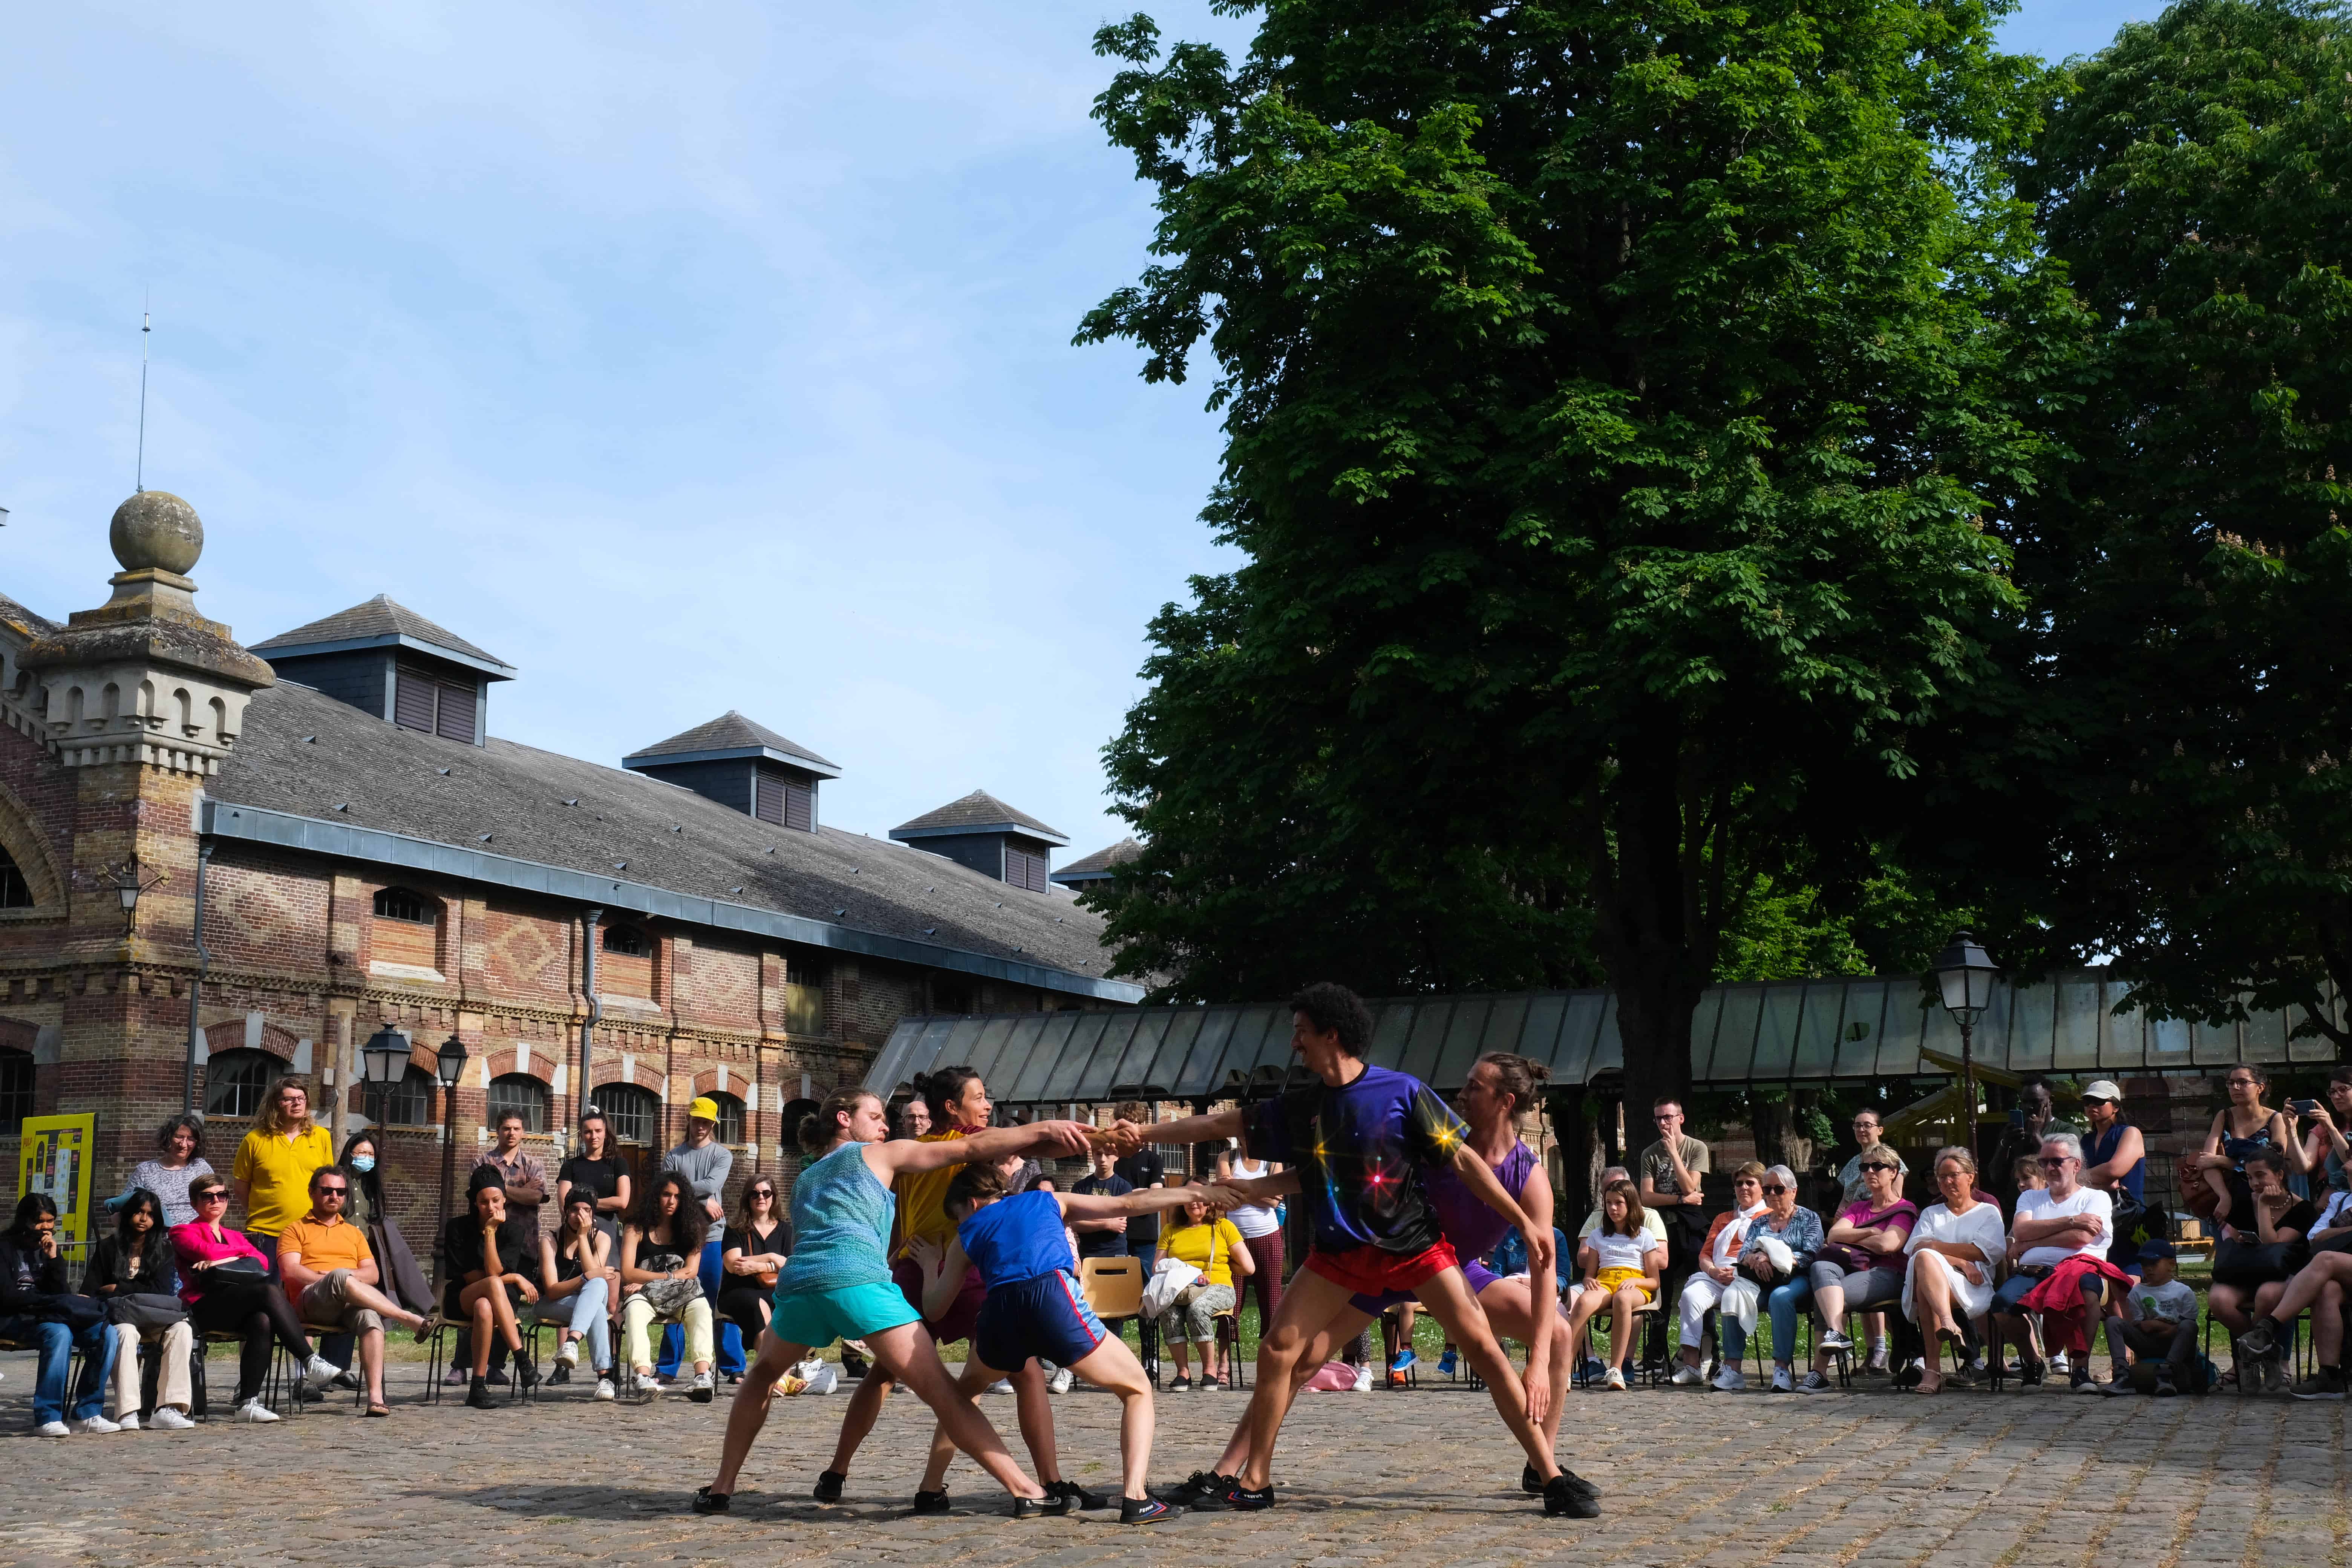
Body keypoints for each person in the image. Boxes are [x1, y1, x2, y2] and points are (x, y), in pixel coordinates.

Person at [1119, 983, 1591, 1517]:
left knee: (1484, 1350)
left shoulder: (1404, 1093)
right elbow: (1223, 1124)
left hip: (1416, 1249)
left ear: (1331, 1033)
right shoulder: (1306, 1106)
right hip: (1342, 1255)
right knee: (1280, 1352)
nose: (1294, 1043)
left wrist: (1522, 1223)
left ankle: (1551, 1477)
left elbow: (1464, 1163)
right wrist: (1145, 1134)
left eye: (1301, 1031)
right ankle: (1251, 1478)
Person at [694, 1087, 1096, 1517]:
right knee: (943, 1391)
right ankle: (1026, 1487)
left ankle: (721, 1487)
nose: (886, 1124)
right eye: (876, 1115)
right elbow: (972, 1146)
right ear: (845, 1119)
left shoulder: (807, 1175)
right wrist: (1044, 1128)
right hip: (857, 1281)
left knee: (763, 1375)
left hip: (801, 1286)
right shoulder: (876, 1155)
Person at [822, 1066, 1096, 1513]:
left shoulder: (905, 1149)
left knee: (885, 1374)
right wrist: (1106, 1139)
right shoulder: (966, 1142)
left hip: (917, 1265)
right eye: (980, 1096)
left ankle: (837, 1471)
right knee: (1024, 1372)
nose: (988, 1105)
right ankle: (1051, 1480)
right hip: (961, 1268)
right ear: (953, 1107)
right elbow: (1037, 1142)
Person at [914, 1161, 1225, 1524]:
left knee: (960, 1398)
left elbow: (935, 1309)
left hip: (1001, 1312)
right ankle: (1136, 1498)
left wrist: (928, 1265)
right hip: (1051, 1299)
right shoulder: (1045, 1200)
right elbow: (1128, 1204)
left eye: (957, 1217)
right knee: (1137, 1388)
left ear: (970, 1204)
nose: (960, 1222)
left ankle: (931, 1490)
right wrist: (1200, 1192)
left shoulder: (965, 1235)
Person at [172, 1175, 337, 1423]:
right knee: (269, 1292)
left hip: (236, 1305)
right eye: (208, 1196)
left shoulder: (235, 1236)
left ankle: (248, 1403)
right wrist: (238, 1256)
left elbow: (261, 1261)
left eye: (222, 1195)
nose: (216, 1201)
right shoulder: (182, 1231)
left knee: (262, 1320)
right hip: (201, 1307)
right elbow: (206, 1251)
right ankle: (309, 1360)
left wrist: (220, 1260)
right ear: (195, 1202)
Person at [278, 1166, 434, 1416]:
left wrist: (344, 1279)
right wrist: (331, 1278)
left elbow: (372, 1275)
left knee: (371, 1318)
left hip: (347, 1305)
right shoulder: (295, 1230)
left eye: (341, 1192)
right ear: (312, 1192)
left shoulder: (354, 1234)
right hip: (310, 1303)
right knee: (340, 1276)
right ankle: (407, 1318)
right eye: (327, 1190)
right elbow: (290, 1271)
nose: (335, 1196)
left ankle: (375, 1398)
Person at [1994, 1133, 2127, 1392]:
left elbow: (2080, 1239)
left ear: (2076, 1164)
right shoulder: (2031, 1198)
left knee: (2088, 1293)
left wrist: (2031, 1243)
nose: (2049, 1168)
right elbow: (2021, 1231)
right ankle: (2033, 1363)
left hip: (2079, 1269)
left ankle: (2081, 1369)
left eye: (2056, 1161)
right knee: (2001, 1305)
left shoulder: (2095, 1198)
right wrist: (2071, 1221)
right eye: (2044, 1163)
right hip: (2032, 1272)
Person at [2, 1193, 121, 1435]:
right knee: (60, 1333)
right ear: (24, 1220)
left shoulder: (47, 1250)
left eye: (51, 1221)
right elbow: (6, 1297)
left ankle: (88, 1412)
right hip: (14, 1318)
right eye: (40, 1221)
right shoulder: (4, 1248)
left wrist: (54, 1260)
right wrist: (47, 1302)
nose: (46, 1228)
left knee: (106, 1333)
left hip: (49, 1314)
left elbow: (63, 1293)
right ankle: (48, 1415)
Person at [2203, 1146, 2315, 1393]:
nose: (2254, 1183)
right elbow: (2230, 1235)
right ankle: (2266, 1352)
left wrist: (2263, 1206)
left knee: (2267, 1295)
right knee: (2219, 1299)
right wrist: (2238, 1236)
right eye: (2250, 1177)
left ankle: (2247, 1359)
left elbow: (2274, 1244)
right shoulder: (2244, 1200)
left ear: (2279, 1175)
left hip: (2283, 1274)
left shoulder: (2303, 1209)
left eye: (2261, 1175)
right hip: (2245, 1270)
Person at [1802, 1149, 1916, 1392]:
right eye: (1865, 1168)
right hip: (1851, 1268)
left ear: (1894, 1172)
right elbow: (1834, 1235)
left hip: (1886, 1274)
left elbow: (1889, 1246)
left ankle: (1820, 1372)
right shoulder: (1858, 1208)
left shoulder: (1905, 1209)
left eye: (1878, 1166)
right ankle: (1836, 1334)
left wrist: (1854, 1236)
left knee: (1827, 1294)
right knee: (1821, 1267)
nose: (1870, 1172)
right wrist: (1870, 1233)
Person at [83, 1188, 197, 1429]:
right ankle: (127, 1412)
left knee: (182, 1330)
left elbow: (159, 1291)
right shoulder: (108, 1248)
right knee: (124, 1333)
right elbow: (92, 1288)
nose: (144, 1219)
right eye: (138, 1212)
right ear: (128, 1215)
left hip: (154, 1315)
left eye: (150, 1214)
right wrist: (130, 1290)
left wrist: (117, 1287)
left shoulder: (164, 1250)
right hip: (120, 1316)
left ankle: (169, 1408)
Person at [1902, 1148, 2005, 1395]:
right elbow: (1915, 1248)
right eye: (1941, 1177)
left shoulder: (1987, 1212)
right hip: (1944, 1279)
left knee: (1927, 1277)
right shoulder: (1931, 1213)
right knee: (1924, 1261)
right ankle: (1947, 1321)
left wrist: (1937, 1246)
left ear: (1970, 1176)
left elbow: (1985, 1251)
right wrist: (1961, 1261)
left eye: (1953, 1175)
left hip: (1973, 1284)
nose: (1947, 1182)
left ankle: (1933, 1370)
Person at [446, 1166, 547, 1409]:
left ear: (505, 1199)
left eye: (496, 1201)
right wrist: (514, 1278)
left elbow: (492, 1274)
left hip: (496, 1303)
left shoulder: (514, 1230)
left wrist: (492, 1233)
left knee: (485, 1306)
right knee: (488, 1288)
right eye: (483, 1202)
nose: (491, 1208)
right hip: (462, 1298)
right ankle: (522, 1358)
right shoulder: (457, 1228)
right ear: (474, 1202)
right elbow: (477, 1278)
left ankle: (477, 1387)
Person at [2238, 1184, 2352, 1396]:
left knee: (2325, 1259)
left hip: (2338, 1262)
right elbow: (2316, 1237)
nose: (2346, 1157)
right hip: (2345, 1270)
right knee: (2326, 1289)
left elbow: (2324, 1240)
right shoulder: (2340, 1199)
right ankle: (2330, 1377)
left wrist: (2336, 1233)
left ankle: (2266, 1329)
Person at [1721, 1164, 1823, 1393]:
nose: (1772, 1195)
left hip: (1797, 1279)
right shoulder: (1759, 1222)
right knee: (1732, 1295)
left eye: (1779, 1189)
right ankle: (1734, 1369)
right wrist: (1756, 1258)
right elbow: (1743, 1252)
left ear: (1793, 1191)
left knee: (1780, 1298)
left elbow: (1810, 1255)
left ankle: (1782, 1369)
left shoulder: (1809, 1219)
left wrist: (1772, 1257)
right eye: (1767, 1190)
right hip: (1761, 1280)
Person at [663, 1096, 745, 1380]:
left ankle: (732, 1367)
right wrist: (701, 1202)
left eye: (707, 1123)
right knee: (674, 1299)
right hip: (680, 1236)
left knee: (718, 1302)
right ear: (690, 1119)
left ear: (713, 1125)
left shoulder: (722, 1155)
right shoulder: (673, 1156)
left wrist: (685, 1194)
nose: (701, 1127)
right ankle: (667, 1368)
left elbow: (712, 1185)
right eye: (697, 1121)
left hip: (713, 1236)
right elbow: (667, 1190)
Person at [620, 1170, 718, 1400]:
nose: (671, 1201)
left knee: (702, 1309)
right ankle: (643, 1377)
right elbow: (627, 1272)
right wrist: (670, 1277)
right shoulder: (635, 1228)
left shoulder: (693, 1228)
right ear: (656, 1196)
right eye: (666, 1195)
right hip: (645, 1294)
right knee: (633, 1310)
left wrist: (649, 1278)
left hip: (682, 1295)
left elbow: (692, 1272)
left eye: (677, 1196)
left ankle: (703, 1376)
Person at [1672, 1161, 1768, 1385]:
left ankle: (1732, 1368)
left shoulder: (1769, 1216)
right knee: (1690, 1296)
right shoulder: (1723, 1218)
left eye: (1750, 1183)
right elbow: (1705, 1255)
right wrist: (1714, 1272)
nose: (1743, 1187)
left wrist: (1739, 1271)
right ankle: (1692, 1366)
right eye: (1739, 1183)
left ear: (1762, 1187)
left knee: (1731, 1298)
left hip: (1748, 1277)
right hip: (1716, 1275)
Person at [1565, 1178, 1663, 1390]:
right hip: (1605, 1281)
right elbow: (1589, 1275)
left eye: (1618, 1203)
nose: (1613, 1208)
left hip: (1634, 1284)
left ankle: (1616, 1369)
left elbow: (1655, 1281)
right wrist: (1588, 1280)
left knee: (1623, 1298)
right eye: (1609, 1203)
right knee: (1583, 1303)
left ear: (1631, 1204)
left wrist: (1635, 1281)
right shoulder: (1597, 1235)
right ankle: (1563, 1370)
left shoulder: (1644, 1235)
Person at [230, 1075, 336, 1262]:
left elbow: (327, 1184)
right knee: (268, 1291)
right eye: (289, 1099)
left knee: (306, 1290)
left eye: (301, 1098)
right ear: (276, 1104)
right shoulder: (255, 1140)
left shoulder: (322, 1137)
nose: (297, 1103)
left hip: (310, 1232)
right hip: (266, 1234)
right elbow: (240, 1188)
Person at [1833, 1108, 1908, 1371]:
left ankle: (1882, 1346)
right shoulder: (1854, 1163)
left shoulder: (1889, 1159)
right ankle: (1867, 1348)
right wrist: (1840, 1222)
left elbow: (1895, 1200)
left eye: (1867, 1125)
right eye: (1857, 1125)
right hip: (1854, 1226)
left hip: (1879, 1230)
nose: (1861, 1130)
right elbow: (1846, 1198)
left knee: (1867, 1283)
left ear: (1880, 1129)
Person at [1636, 1096, 1709, 1366]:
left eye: (1668, 1117)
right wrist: (1679, 1200)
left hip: (1691, 1225)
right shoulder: (1649, 1153)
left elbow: (1691, 1186)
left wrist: (1674, 1154)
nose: (1663, 1123)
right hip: (1661, 1226)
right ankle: (1656, 1354)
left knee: (1700, 1285)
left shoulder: (1696, 1148)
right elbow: (1647, 1197)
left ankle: (1706, 1351)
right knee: (1660, 1291)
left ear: (1681, 1118)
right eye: (1658, 1118)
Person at [1154, 1193, 1253, 1390]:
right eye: (1189, 1197)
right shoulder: (1171, 1230)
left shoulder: (1224, 1227)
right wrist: (1187, 1275)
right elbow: (1158, 1266)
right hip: (1182, 1289)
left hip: (1220, 1287)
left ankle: (1210, 1371)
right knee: (1168, 1312)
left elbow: (1249, 1267)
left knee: (1198, 1309)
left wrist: (1223, 1266)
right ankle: (1183, 1372)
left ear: (1210, 1203)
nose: (1194, 1203)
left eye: (1200, 1198)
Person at [2187, 1064, 2301, 1227]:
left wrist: (2223, 1161)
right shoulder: (2224, 1116)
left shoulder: (2276, 1119)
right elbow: (2206, 1162)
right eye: (2231, 1083)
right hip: (2226, 1200)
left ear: (2260, 1088)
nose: (2235, 1087)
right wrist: (2224, 1197)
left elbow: (2274, 1163)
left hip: (2267, 1199)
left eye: (2243, 1082)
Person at [546, 1188, 619, 1397]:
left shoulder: (602, 1238)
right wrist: (584, 1279)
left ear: (593, 1214)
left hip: (587, 1300)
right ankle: (605, 1379)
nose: (580, 1216)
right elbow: (551, 1291)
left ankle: (571, 1343)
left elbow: (595, 1277)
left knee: (598, 1286)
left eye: (587, 1210)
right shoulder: (550, 1240)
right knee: (596, 1306)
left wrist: (583, 1237)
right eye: (575, 1210)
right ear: (565, 1212)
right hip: (554, 1302)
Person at [2101, 1241, 2197, 1396]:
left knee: (2189, 1327)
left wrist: (2155, 1325)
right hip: (2148, 1342)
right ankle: (2121, 1374)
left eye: (2154, 1263)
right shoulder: (2137, 1293)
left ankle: (2167, 1374)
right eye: (2144, 1265)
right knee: (2113, 1322)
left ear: (2171, 1264)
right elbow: (2142, 1327)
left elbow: (2187, 1327)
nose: (2149, 1269)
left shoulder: (2184, 1292)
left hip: (2176, 1345)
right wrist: (2163, 1326)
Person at [2078, 1079, 2148, 1272]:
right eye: (2088, 1102)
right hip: (2095, 1217)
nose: (2092, 1106)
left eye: (2099, 1101)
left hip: (2127, 1217)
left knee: (2128, 1276)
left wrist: (2081, 1179)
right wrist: (2101, 1183)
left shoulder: (2130, 1133)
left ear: (2116, 1107)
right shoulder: (2086, 1140)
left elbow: (2114, 1170)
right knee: (2100, 1273)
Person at [102, 1115, 214, 1227]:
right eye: (179, 1137)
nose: (183, 1144)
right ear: (168, 1138)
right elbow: (124, 1209)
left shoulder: (202, 1168)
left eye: (190, 1139)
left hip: (196, 1238)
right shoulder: (145, 1171)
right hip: (158, 1240)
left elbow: (217, 1204)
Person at [717, 1177, 791, 1342]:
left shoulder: (786, 1231)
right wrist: (772, 1258)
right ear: (747, 1198)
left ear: (774, 1197)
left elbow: (790, 1265)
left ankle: (777, 1366)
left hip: (777, 1290)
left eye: (766, 1193)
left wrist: (758, 1267)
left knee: (795, 1304)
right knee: (758, 1304)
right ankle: (774, 1365)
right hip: (738, 1290)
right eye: (755, 1194)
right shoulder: (735, 1229)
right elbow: (733, 1265)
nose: (761, 1198)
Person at [1990, 1076, 2077, 1210]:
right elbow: (1995, 1176)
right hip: (2015, 1207)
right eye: (2025, 1102)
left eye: (2036, 1102)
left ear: (2051, 1101)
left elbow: (2064, 1167)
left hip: (2052, 1205)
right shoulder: (2014, 1132)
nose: (2029, 1107)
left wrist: (2037, 1136)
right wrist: (2005, 1145)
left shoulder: (2066, 1131)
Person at [1227, 1142, 1285, 1337]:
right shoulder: (1227, 1159)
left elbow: (1276, 1201)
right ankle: (1225, 1363)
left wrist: (1239, 1191)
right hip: (1234, 1239)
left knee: (1271, 1301)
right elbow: (1223, 1191)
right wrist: (1261, 1194)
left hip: (1267, 1236)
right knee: (1230, 1302)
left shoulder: (1273, 1162)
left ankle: (1272, 1354)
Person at [1113, 1102, 1168, 1269]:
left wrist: (1124, 1196)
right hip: (1116, 1233)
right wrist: (1140, 1194)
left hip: (1145, 1235)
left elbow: (1155, 1197)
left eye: (1134, 1122)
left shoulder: (1153, 1160)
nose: (1129, 1128)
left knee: (1146, 1285)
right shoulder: (1112, 1157)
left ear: (1141, 1125)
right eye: (1125, 1122)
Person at [557, 1108, 633, 1220]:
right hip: (576, 1222)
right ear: (581, 1135)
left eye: (598, 1131)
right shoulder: (570, 1166)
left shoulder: (619, 1164)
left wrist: (583, 1203)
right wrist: (594, 1205)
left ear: (606, 1133)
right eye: (588, 1132)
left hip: (607, 1223)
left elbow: (622, 1201)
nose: (593, 1136)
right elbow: (565, 1206)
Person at [1068, 1145, 1133, 1261]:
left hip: (1115, 1253)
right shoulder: (1080, 1187)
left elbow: (1120, 1223)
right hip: (1088, 1254)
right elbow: (1076, 1224)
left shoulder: (1124, 1187)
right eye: (1099, 1154)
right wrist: (1107, 1224)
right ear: (1093, 1156)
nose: (1103, 1159)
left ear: (1117, 1156)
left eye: (1108, 1155)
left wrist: (1086, 1216)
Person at [2295, 1066, 2352, 1196]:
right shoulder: (2323, 1125)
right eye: (2332, 1092)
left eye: (2343, 1090)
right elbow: (2302, 1167)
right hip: (2327, 1199)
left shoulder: (2327, 1125)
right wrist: (2291, 1129)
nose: (2336, 1096)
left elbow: (2348, 1162)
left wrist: (2331, 1129)